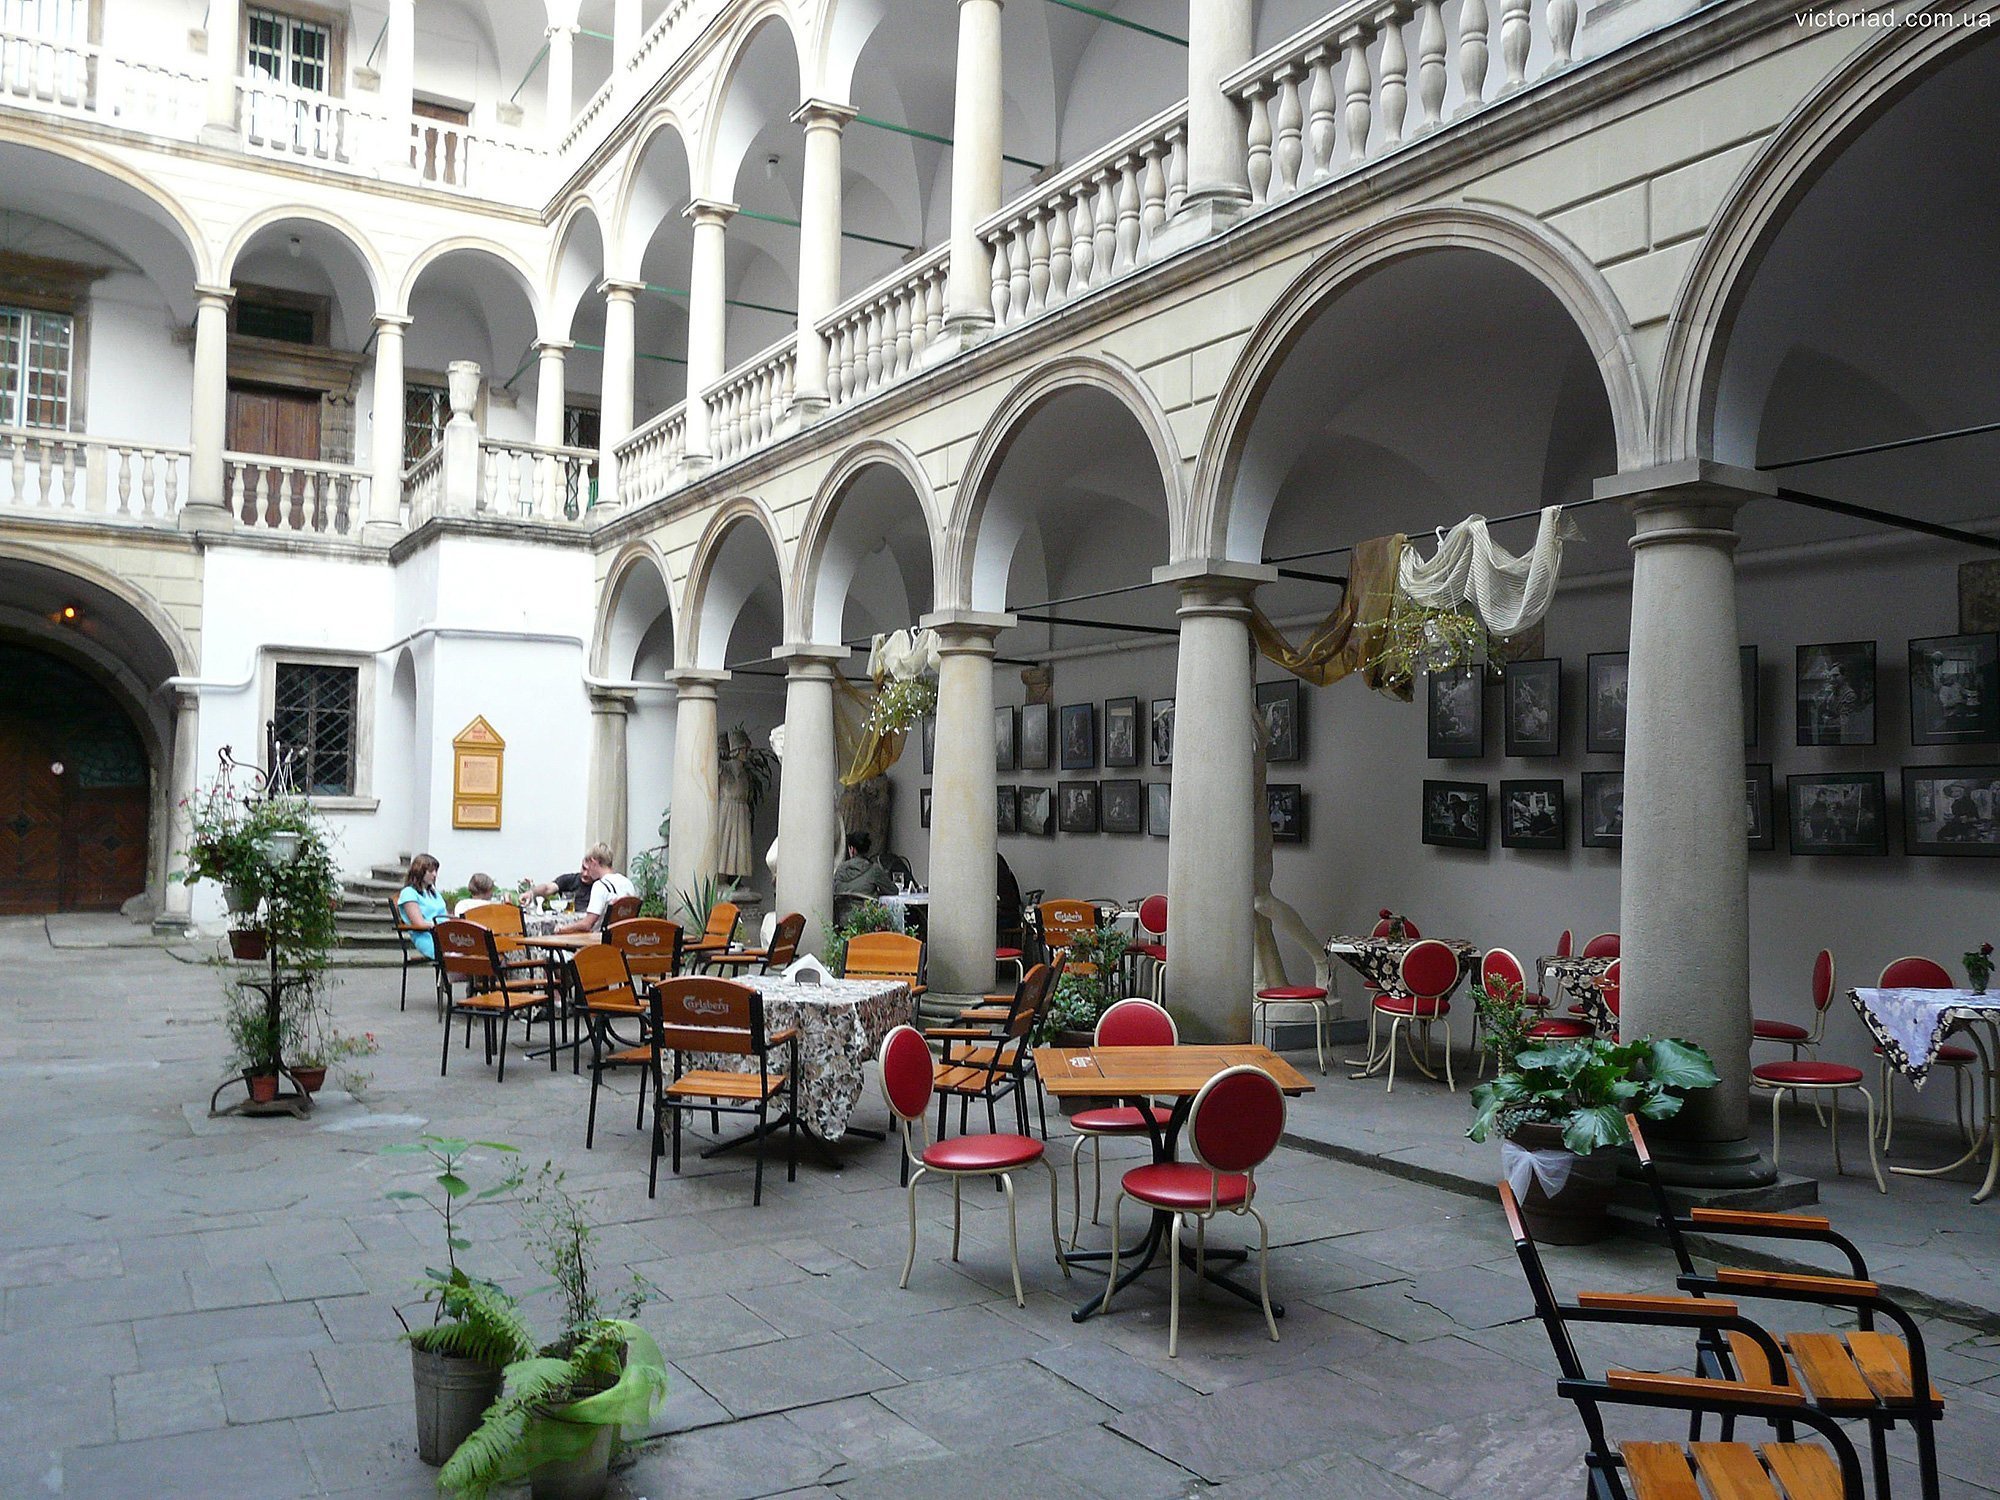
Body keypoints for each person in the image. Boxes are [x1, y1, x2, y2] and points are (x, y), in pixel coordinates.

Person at [556, 843, 634, 934]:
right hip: (623, 938)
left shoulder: (600, 886)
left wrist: (562, 929)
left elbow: (587, 925)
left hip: (600, 940)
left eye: (588, 866)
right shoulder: (627, 883)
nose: (587, 872)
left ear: (593, 862)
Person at [398, 853, 447, 960]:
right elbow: (419, 924)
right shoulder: (409, 893)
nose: (435, 875)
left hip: (445, 935)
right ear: (419, 872)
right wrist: (441, 926)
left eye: (436, 871)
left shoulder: (434, 893)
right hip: (428, 937)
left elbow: (444, 915)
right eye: (431, 871)